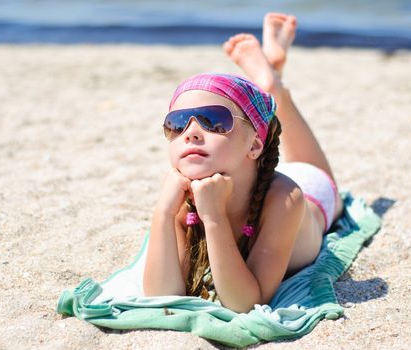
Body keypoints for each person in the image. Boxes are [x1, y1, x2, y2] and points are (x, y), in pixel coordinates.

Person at [143, 13, 344, 313]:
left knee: (322, 178)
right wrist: (163, 212)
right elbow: (161, 295)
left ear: (254, 145)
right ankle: (269, 81)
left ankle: (274, 87)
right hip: (250, 173)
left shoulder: (286, 199)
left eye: (214, 121)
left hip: (312, 194)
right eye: (177, 123)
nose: (191, 133)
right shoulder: (180, 197)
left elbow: (244, 303)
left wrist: (213, 218)